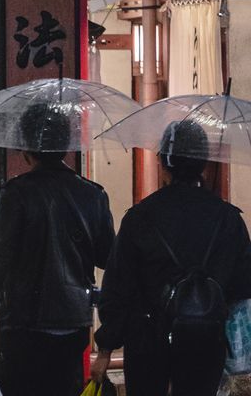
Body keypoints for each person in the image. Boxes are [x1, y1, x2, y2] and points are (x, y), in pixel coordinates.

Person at [0, 104, 115, 396]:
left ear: (26, 148)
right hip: (72, 321)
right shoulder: (93, 195)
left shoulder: (15, 193)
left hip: (21, 322)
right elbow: (108, 257)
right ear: (65, 147)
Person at [92, 120, 251, 396]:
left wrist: (105, 349)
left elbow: (119, 288)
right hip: (205, 339)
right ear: (204, 163)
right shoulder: (228, 219)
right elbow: (243, 284)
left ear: (163, 163)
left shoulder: (141, 217)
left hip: (147, 340)